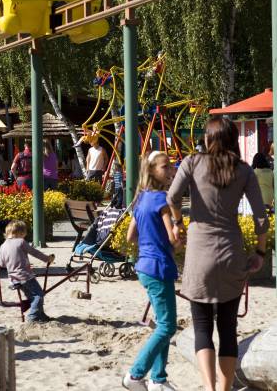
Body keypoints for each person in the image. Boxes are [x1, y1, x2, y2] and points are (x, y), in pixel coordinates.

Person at [167, 116, 268, 391]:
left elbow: (172, 198)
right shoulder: (244, 171)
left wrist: (178, 224)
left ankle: (209, 389)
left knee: (201, 326)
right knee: (227, 327)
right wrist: (259, 251)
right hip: (231, 252)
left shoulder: (191, 162)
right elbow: (261, 217)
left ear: (208, 139)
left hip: (199, 254)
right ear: (234, 140)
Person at [122, 151, 178, 391]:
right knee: (167, 326)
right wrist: (178, 224)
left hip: (145, 266)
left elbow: (130, 236)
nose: (171, 170)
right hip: (159, 267)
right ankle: (135, 375)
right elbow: (174, 239)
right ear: (153, 170)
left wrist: (150, 239)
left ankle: (159, 378)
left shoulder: (141, 198)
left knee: (162, 323)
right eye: (166, 167)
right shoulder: (162, 200)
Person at [0, 220, 54, 323]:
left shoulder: (2, 246)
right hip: (25, 276)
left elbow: (2, 264)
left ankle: (41, 316)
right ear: (20, 232)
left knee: (33, 297)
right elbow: (35, 252)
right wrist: (47, 259)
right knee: (38, 295)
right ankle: (32, 317)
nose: (24, 236)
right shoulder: (21, 241)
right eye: (24, 233)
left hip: (13, 279)